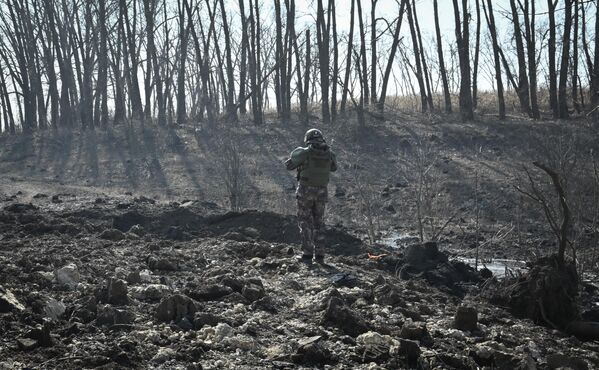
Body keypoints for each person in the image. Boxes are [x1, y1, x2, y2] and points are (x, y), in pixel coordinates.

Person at [285, 129, 337, 263]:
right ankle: (320, 255)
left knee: (305, 221)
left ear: (307, 139)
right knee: (319, 222)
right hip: (321, 191)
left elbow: (289, 165)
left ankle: (307, 254)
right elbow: (333, 168)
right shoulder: (330, 154)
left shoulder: (305, 152)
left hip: (305, 191)